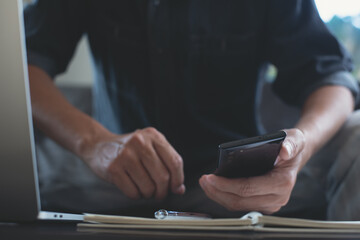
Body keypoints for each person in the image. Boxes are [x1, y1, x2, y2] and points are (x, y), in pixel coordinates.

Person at [24, 0, 360, 220]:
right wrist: (94, 142)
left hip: (240, 189)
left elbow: (331, 77)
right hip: (109, 183)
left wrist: (302, 146)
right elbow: (20, 63)